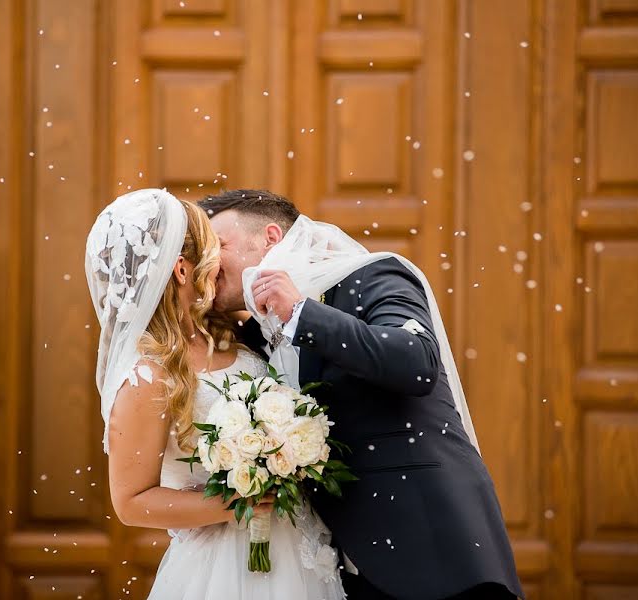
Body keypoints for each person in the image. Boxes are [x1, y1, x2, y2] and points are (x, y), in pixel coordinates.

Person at [200, 188, 524, 600]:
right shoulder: (255, 335)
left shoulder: (371, 275)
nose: (208, 261)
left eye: (218, 245)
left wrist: (301, 313)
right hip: (345, 567)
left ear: (270, 238)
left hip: (432, 549)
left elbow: (417, 361)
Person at [84, 189, 346, 600]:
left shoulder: (230, 333)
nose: (221, 262)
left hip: (301, 546)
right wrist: (236, 502)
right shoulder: (147, 373)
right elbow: (131, 501)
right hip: (224, 565)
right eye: (213, 248)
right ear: (182, 270)